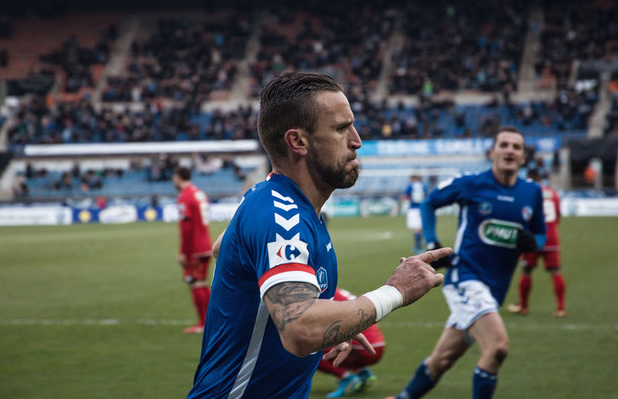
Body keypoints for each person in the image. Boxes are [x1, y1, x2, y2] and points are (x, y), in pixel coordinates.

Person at [187, 72, 451, 398]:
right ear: (298, 141)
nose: (357, 140)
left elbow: (222, 249)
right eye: (341, 128)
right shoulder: (281, 214)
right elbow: (300, 329)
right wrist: (396, 291)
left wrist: (328, 325)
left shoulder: (276, 201)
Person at [388, 126, 547, 399]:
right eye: (504, 145)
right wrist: (432, 243)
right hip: (465, 278)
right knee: (497, 348)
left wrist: (535, 244)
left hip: (494, 290)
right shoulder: (471, 183)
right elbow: (429, 204)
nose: (510, 150)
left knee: (443, 359)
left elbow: (540, 232)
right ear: (492, 152)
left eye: (516, 147)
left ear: (523, 158)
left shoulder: (532, 192)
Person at [508, 170, 566, 317]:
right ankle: (560, 308)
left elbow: (523, 215)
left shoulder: (528, 193)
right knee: (555, 272)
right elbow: (558, 215)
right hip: (551, 236)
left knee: (526, 270)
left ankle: (524, 306)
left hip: (532, 238)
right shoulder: (552, 193)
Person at [317, 288, 385, 398]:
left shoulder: (321, 293)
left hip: (363, 347)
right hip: (376, 344)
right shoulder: (332, 289)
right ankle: (361, 372)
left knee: (307, 351)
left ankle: (347, 378)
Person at [172, 166, 213, 334]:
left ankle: (203, 324)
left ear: (178, 177)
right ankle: (211, 321)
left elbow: (187, 227)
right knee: (201, 282)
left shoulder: (185, 196)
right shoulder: (198, 192)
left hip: (194, 247)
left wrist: (183, 252)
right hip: (205, 243)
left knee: (195, 283)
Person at [400, 174, 428, 254]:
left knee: (415, 229)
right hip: (422, 208)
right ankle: (419, 245)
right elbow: (426, 196)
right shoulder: (423, 186)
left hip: (413, 208)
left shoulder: (410, 186)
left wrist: (399, 205)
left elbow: (405, 196)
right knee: (420, 228)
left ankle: (418, 246)